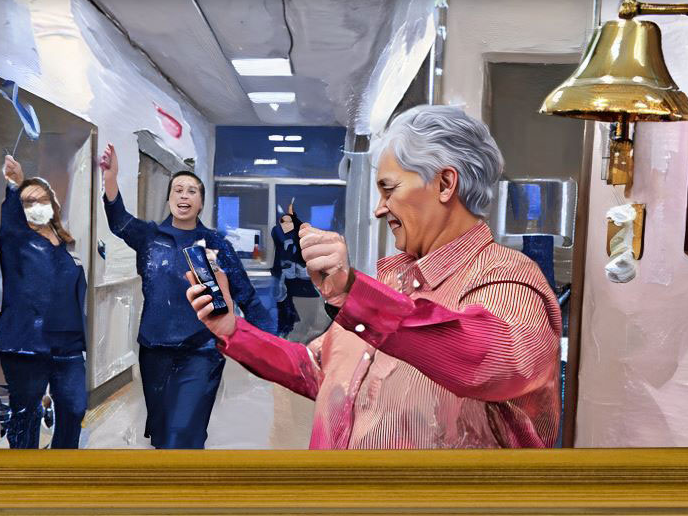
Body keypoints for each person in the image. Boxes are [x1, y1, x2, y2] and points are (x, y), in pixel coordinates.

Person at [187, 105, 562, 449]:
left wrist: (353, 291)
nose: (380, 209)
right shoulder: (391, 287)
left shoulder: (510, 280)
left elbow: (490, 360)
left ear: (446, 184)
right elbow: (314, 369)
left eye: (389, 189)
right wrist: (232, 330)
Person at [99, 143, 272, 449]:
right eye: (178, 190)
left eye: (192, 191)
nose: (184, 196)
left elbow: (246, 295)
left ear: (201, 203)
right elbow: (119, 222)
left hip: (202, 351)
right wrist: (110, 180)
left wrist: (272, 343)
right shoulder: (149, 236)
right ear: (168, 199)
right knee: (163, 433)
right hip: (155, 349)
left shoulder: (216, 244)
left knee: (185, 432)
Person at [0, 155, 88, 449]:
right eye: (28, 202)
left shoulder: (66, 244)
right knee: (26, 416)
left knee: (74, 409)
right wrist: (15, 184)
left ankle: (61, 465)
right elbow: (10, 217)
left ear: (53, 204)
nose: (36, 206)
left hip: (68, 344)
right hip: (28, 344)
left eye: (42, 200)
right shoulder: (16, 239)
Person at [269, 201, 319, 337]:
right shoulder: (278, 233)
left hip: (305, 287)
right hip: (288, 285)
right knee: (288, 320)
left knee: (303, 323)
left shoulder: (308, 236)